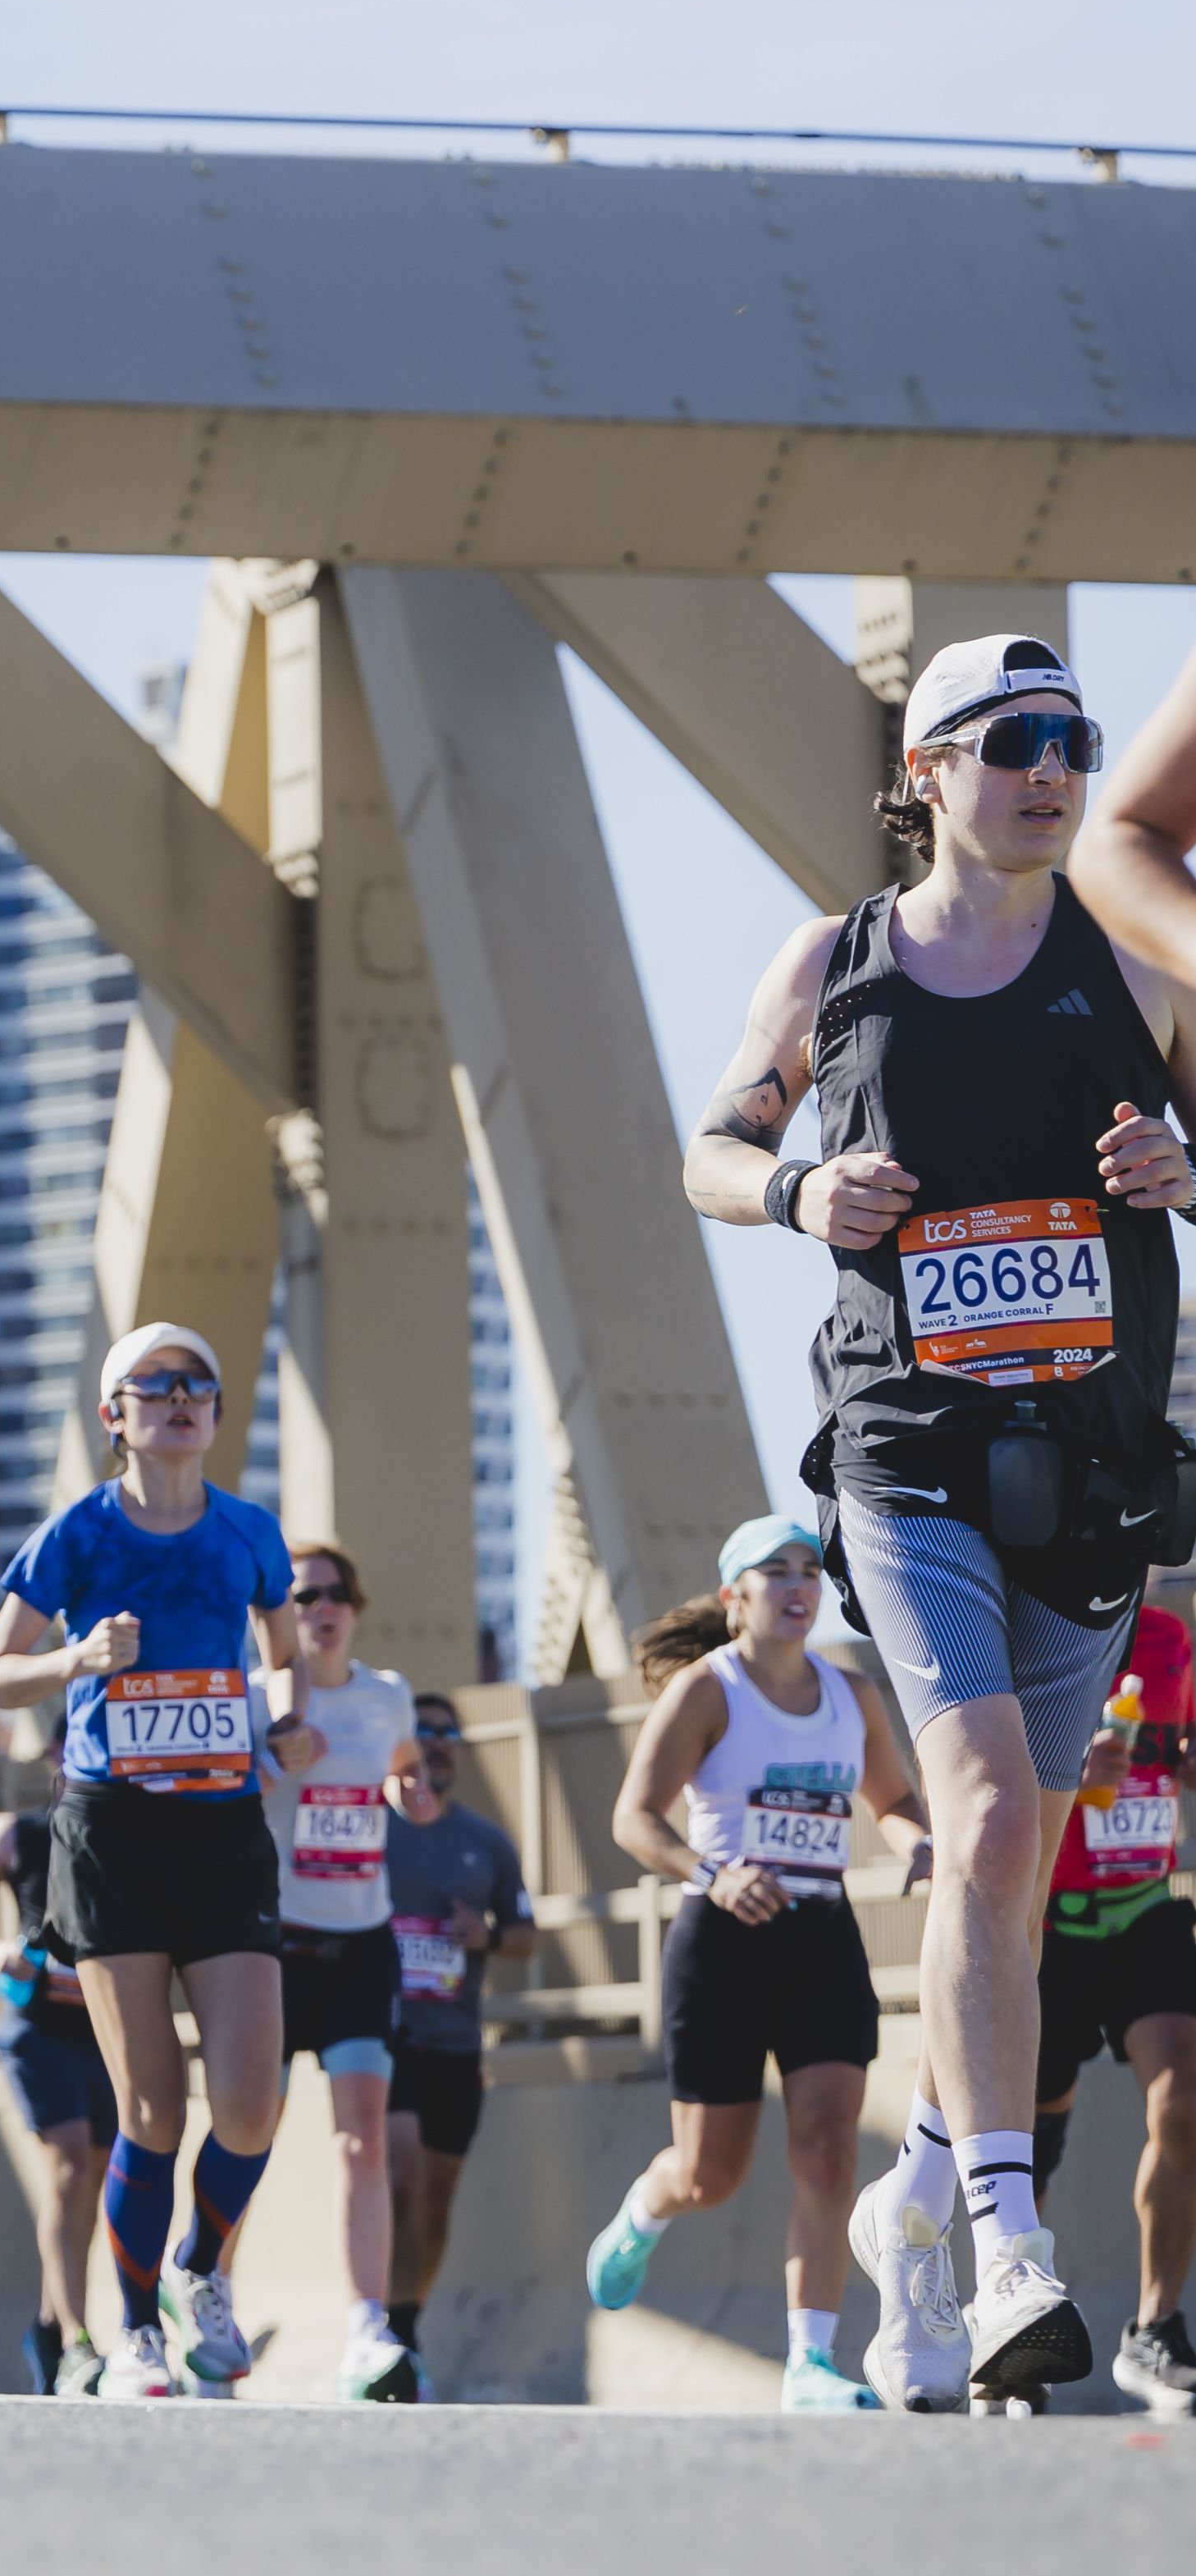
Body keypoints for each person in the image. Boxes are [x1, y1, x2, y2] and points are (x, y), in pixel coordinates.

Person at [699, 630, 1196, 2410]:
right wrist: (793, 1182)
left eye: (1073, 737)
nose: (1056, 767)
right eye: (1012, 740)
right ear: (925, 771)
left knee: (1004, 1860)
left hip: (1091, 1477)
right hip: (906, 1460)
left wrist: (1182, 1170)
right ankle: (1007, 2246)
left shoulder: (1130, 965)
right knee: (980, 1804)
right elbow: (708, 1146)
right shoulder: (834, 966)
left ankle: (917, 2203)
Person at [0, 1320, 308, 2403]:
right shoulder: (77, 1536)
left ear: (214, 1411)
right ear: (113, 1417)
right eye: (150, 1386)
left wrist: (283, 1723)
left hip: (220, 1825)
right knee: (151, 2106)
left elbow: (283, 1656)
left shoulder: (249, 1533)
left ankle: (199, 2271)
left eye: (196, 1384)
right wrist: (76, 1656)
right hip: (111, 1827)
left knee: (251, 2099)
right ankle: (132, 2336)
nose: (177, 1398)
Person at [582, 1523, 925, 2409]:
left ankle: (809, 2360)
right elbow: (635, 1815)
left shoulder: (851, 1693)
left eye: (811, 1568)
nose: (798, 1583)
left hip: (820, 1936)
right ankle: (644, 2210)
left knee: (826, 2143)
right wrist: (713, 1871)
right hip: (722, 1941)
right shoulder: (708, 1688)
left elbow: (889, 1798)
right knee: (711, 2172)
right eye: (775, 1570)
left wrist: (920, 1842)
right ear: (734, 1595)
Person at [258, 1542, 431, 2400]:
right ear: (279, 1613)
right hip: (275, 1947)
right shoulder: (261, 1701)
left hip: (362, 1940)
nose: (320, 1607)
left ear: (354, 1606)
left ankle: (368, 2326)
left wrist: (409, 1791)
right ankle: (205, 2301)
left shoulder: (385, 1692)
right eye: (301, 1596)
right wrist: (268, 1761)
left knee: (361, 2137)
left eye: (334, 1593)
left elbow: (402, 1766)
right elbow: (216, 1802)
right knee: (243, 2134)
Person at [1035, 1582, 1195, 2408]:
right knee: (1032, 2139)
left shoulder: (1170, 1637)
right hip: (1051, 1921)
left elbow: (1181, 1746)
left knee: (1182, 2105)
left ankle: (1154, 2328)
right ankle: (1015, 2329)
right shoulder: (1038, 1624)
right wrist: (1063, 1768)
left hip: (1145, 1906)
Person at [0, 1758, 111, 2395]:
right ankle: (75, 2339)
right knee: (68, 2164)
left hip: (100, 2029)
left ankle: (49, 2323)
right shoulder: (15, 1834)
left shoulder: (125, 1836)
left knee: (94, 2177)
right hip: (36, 2029)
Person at [379, 1687, 529, 2389]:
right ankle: (375, 2328)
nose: (436, 1741)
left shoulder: (484, 1842)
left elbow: (524, 1934)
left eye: (447, 1732)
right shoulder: (370, 1829)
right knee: (399, 2178)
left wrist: (486, 1936)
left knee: (434, 2197)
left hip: (455, 2042)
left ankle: (404, 2331)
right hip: (385, 2039)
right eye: (422, 1729)